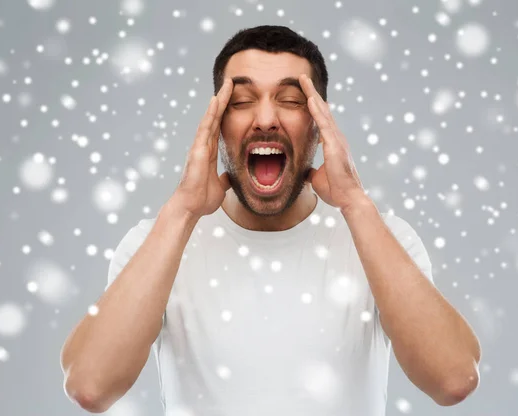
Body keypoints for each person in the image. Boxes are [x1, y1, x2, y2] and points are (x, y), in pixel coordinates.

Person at [60, 25, 481, 415]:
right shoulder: (157, 242)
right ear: (218, 124)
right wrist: (182, 209)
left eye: (292, 100)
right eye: (241, 101)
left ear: (319, 124)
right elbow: (91, 387)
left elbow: (452, 379)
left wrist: (355, 202)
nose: (264, 119)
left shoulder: (380, 237)